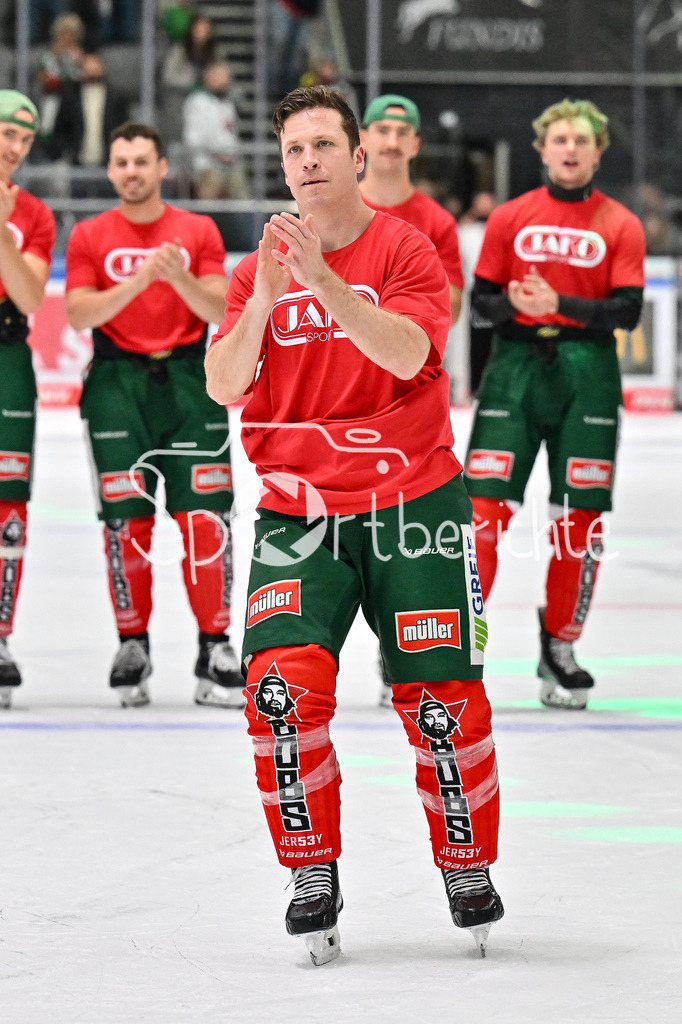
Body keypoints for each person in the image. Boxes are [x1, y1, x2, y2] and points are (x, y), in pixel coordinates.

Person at [205, 86, 503, 965]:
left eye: (324, 146)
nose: (308, 162)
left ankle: (465, 865)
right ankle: (311, 873)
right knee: (278, 694)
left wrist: (325, 282)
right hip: (299, 513)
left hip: (415, 503)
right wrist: (263, 299)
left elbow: (410, 355)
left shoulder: (406, 247)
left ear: (357, 156)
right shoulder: (251, 269)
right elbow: (225, 384)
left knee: (444, 705)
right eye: (294, 149)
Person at [463, 98, 646, 710]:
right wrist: (518, 306)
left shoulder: (621, 222)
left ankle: (560, 647)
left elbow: (626, 312)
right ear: (541, 149)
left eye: (582, 140)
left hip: (587, 371)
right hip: (513, 369)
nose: (570, 149)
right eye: (560, 139)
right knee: (481, 516)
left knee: (581, 522)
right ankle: (459, 644)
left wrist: (558, 306)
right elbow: (481, 303)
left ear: (599, 151)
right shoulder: (510, 217)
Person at [65, 121, 243, 709]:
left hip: (193, 383)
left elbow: (222, 305)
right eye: (121, 163)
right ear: (111, 170)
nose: (132, 172)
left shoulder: (198, 230)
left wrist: (179, 277)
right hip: (117, 384)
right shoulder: (91, 234)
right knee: (125, 523)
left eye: (142, 160)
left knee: (206, 521)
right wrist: (142, 280)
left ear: (163, 166)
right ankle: (131, 643)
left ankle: (215, 646)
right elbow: (78, 313)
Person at [359, 92, 466, 704]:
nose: (393, 140)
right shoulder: (340, 209)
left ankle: (397, 645)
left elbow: (442, 308)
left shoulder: (436, 222)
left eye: (404, 130)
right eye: (383, 128)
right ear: (363, 142)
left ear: (417, 144)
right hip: (346, 395)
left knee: (405, 525)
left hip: (411, 395)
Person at [0, 91, 56, 709]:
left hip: (8, 355)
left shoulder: (33, 214)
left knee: (8, 502)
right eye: (5, 133)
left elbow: (31, 296)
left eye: (24, 139)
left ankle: (0, 638)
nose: (13, 147)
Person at [44, 52, 130, 169]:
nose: (91, 70)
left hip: (108, 164)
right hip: (77, 164)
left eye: (95, 65)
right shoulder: (71, 97)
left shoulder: (115, 98)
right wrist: (68, 152)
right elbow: (60, 129)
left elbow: (124, 128)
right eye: (87, 66)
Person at [181, 60, 249, 200]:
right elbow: (193, 140)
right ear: (209, 77)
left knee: (244, 199)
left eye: (227, 76)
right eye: (221, 75)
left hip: (231, 166)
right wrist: (217, 156)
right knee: (210, 196)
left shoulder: (228, 103)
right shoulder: (197, 102)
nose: (226, 80)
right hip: (207, 167)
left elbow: (230, 136)